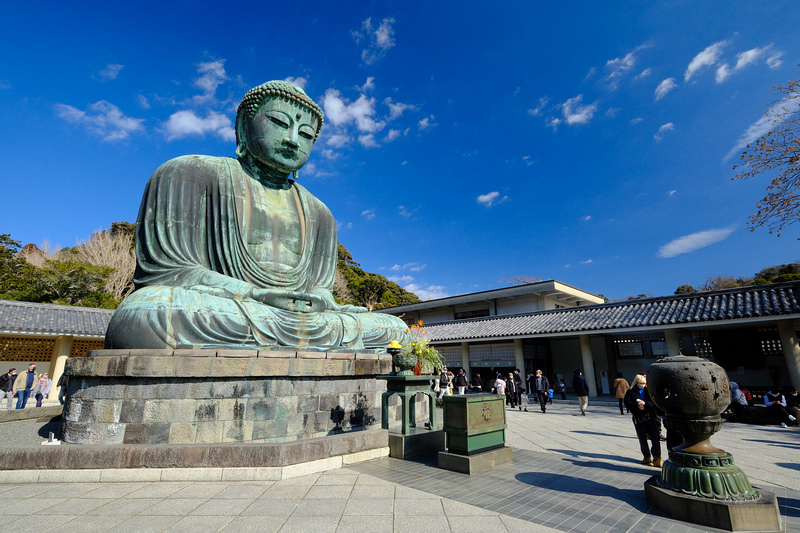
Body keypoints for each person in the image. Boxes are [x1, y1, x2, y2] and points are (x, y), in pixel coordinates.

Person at [103, 80, 409, 352]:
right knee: (146, 313)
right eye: (278, 122)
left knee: (395, 330)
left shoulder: (320, 214)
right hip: (229, 308)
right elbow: (168, 274)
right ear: (242, 127)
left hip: (295, 319)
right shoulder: (187, 172)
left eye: (305, 134)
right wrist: (253, 293)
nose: (292, 139)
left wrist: (320, 300)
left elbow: (320, 289)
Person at [623, 374, 662, 467]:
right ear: (636, 382)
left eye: (644, 383)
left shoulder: (648, 391)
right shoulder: (630, 391)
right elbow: (627, 403)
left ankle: (657, 458)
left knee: (655, 437)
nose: (643, 385)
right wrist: (637, 406)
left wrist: (645, 404)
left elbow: (654, 402)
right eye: (641, 383)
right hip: (638, 417)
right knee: (642, 438)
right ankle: (646, 456)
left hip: (650, 416)